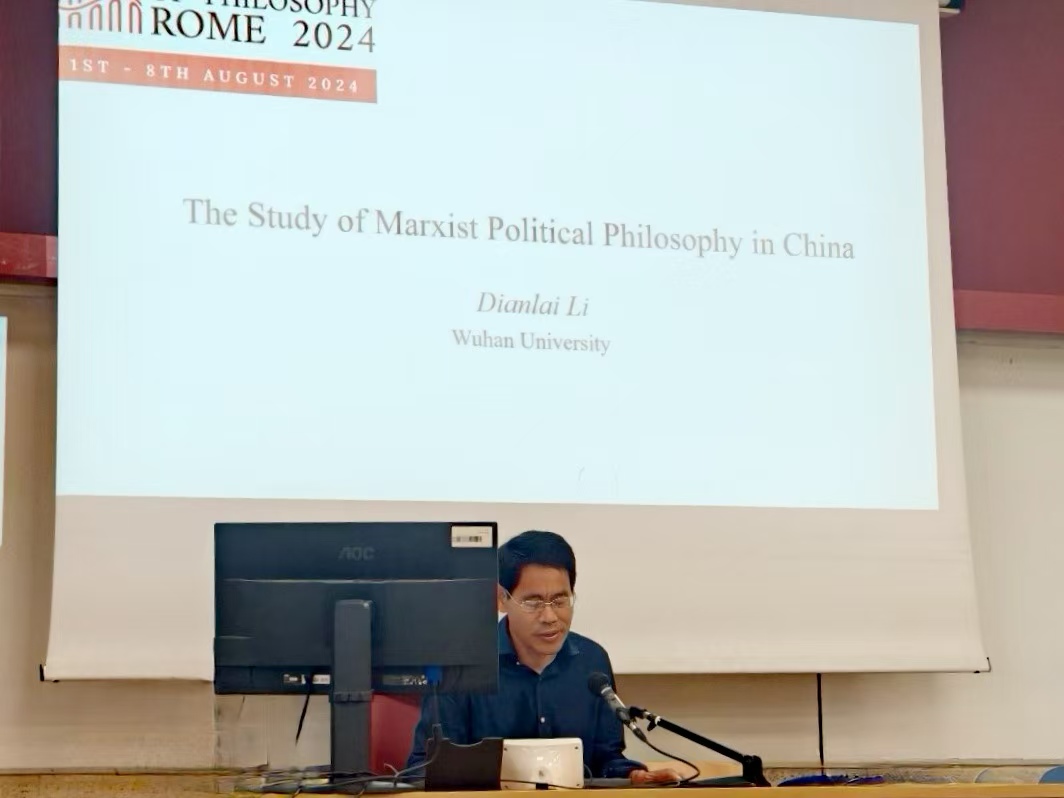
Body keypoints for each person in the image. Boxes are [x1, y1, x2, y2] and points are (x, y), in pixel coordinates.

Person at [406, 529, 683, 784]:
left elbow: (606, 759)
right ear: (501, 599)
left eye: (560, 601)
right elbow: (427, 768)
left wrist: (633, 776)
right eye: (534, 602)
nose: (550, 616)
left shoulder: (592, 661)